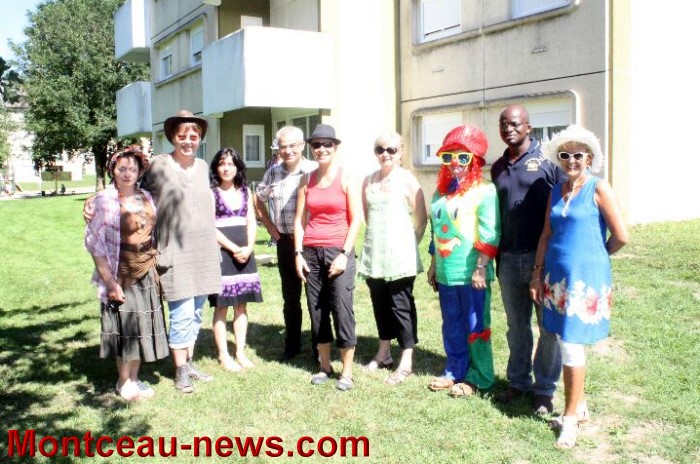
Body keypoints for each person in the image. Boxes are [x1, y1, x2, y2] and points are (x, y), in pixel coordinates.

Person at [84, 110, 221, 394]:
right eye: (182, 135)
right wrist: (93, 200)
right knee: (182, 312)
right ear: (172, 137)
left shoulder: (203, 166)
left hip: (204, 251)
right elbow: (127, 185)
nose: (188, 140)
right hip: (174, 251)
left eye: (193, 136)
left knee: (196, 312)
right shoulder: (158, 164)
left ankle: (189, 362)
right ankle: (180, 370)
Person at [530, 125, 628, 448]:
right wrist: (537, 274)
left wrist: (595, 258)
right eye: (565, 155)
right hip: (556, 279)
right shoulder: (556, 191)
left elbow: (621, 236)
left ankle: (569, 419)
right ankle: (580, 405)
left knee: (572, 344)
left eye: (577, 154)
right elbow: (546, 235)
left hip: (584, 281)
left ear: (588, 158)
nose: (571, 160)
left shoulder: (599, 187)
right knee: (562, 338)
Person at [490, 104, 567, 415]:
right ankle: (518, 382)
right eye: (504, 124)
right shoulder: (497, 167)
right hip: (508, 259)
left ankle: (544, 390)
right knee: (516, 326)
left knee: (548, 327)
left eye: (515, 124)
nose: (509, 129)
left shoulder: (548, 162)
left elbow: (566, 202)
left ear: (528, 127)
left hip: (543, 260)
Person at [84, 145, 168, 401]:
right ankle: (123, 381)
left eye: (133, 169)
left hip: (146, 270)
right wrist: (110, 283)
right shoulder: (104, 201)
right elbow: (95, 246)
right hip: (121, 273)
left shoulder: (147, 197)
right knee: (126, 329)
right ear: (113, 171)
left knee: (140, 326)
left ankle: (134, 377)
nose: (128, 173)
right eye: (122, 169)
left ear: (140, 171)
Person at [426, 125, 500, 397]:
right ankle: (454, 370)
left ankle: (480, 377)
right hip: (447, 272)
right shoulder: (440, 193)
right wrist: (434, 265)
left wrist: (481, 268)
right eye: (448, 157)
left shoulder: (485, 190)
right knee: (452, 324)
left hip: (473, 273)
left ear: (475, 160)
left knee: (476, 325)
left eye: (463, 156)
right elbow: (436, 232)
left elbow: (491, 232)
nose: (455, 162)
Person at [294, 124, 362, 391]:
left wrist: (344, 254)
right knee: (317, 309)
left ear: (335, 147)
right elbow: (300, 220)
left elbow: (356, 219)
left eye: (327, 144)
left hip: (338, 251)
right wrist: (298, 253)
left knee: (342, 309)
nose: (321, 149)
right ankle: (324, 366)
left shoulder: (347, 178)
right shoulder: (306, 180)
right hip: (311, 252)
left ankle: (347, 372)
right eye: (316, 145)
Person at [358, 132, 427, 385]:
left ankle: (406, 358)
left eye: (391, 149)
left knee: (401, 306)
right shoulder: (368, 181)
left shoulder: (407, 180)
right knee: (380, 304)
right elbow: (367, 217)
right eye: (380, 149)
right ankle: (384, 353)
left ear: (401, 153)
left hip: (401, 257)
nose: (385, 154)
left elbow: (421, 220)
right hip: (374, 256)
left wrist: (409, 245)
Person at [254, 126, 317, 362]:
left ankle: (318, 346)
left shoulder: (313, 170)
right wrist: (269, 225)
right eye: (283, 146)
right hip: (285, 242)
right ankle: (292, 345)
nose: (288, 150)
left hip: (311, 244)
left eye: (292, 145)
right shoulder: (273, 173)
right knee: (290, 298)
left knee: (314, 297)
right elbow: (257, 198)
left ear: (302, 146)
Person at [208, 148, 263, 372]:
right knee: (222, 306)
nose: (226, 168)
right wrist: (233, 248)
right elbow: (210, 227)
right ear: (216, 167)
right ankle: (224, 356)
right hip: (222, 254)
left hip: (245, 254)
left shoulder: (246, 192)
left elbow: (251, 222)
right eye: (222, 163)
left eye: (231, 164)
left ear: (238, 167)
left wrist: (248, 248)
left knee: (241, 305)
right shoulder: (211, 193)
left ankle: (240, 351)